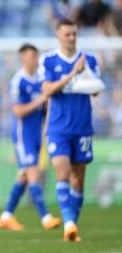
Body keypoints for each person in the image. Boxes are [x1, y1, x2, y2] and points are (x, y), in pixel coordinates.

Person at [38, 19, 103, 242]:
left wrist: (86, 76)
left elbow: (96, 92)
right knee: (63, 174)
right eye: (67, 34)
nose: (72, 38)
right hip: (58, 128)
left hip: (83, 127)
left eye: (74, 34)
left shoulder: (90, 59)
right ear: (58, 36)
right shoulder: (47, 60)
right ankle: (68, 223)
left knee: (79, 180)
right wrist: (73, 74)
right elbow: (47, 90)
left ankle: (72, 226)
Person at [0, 44, 61, 231]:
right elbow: (18, 111)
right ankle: (45, 217)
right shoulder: (18, 81)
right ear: (24, 58)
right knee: (34, 173)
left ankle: (6, 215)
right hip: (22, 136)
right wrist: (42, 100)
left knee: (24, 177)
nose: (36, 59)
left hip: (36, 136)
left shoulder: (40, 80)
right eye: (33, 56)